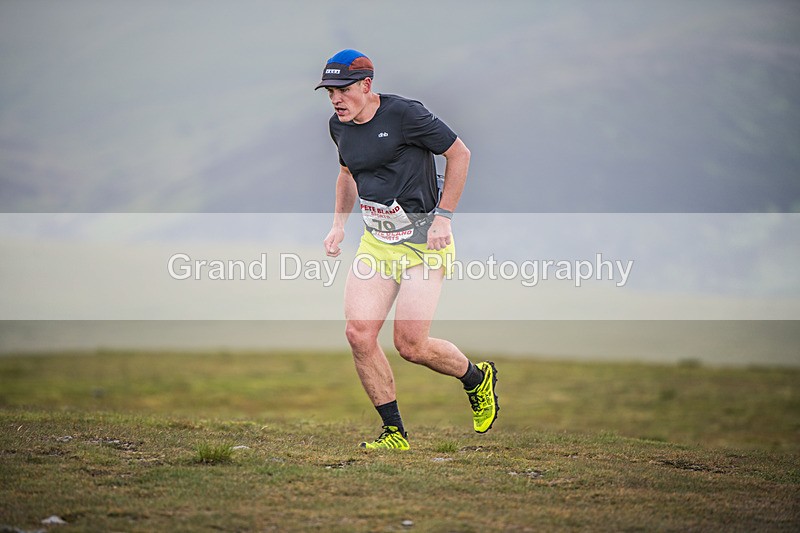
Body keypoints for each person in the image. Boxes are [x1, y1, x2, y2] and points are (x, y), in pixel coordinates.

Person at [316, 49, 498, 450]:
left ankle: (477, 378)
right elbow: (346, 174)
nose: (335, 99)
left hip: (424, 242)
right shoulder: (339, 126)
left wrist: (444, 216)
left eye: (342, 90)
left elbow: (459, 153)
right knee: (359, 334)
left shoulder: (405, 115)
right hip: (377, 243)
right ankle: (394, 433)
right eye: (329, 92)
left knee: (410, 345)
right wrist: (337, 226)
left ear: (366, 85)